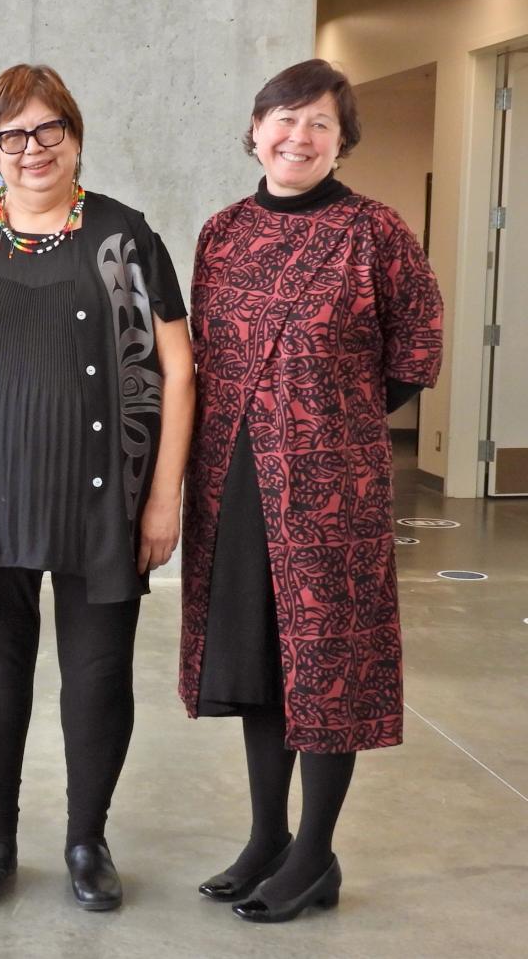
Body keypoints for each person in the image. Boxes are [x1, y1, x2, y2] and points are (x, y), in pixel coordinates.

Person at [0, 64, 194, 910]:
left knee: (98, 674)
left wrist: (165, 493)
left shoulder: (125, 236)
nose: (31, 150)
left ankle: (86, 840)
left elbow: (179, 370)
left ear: (74, 135)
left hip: (101, 492)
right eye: (12, 136)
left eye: (47, 131)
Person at [179, 59, 444, 923]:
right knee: (260, 657)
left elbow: (417, 351)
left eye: (320, 124)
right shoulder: (221, 232)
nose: (299, 136)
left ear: (343, 140)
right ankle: (267, 837)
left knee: (327, 666)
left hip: (333, 489)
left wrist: (332, 422)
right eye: (285, 118)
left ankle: (316, 852)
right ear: (256, 128)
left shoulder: (376, 232)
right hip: (233, 484)